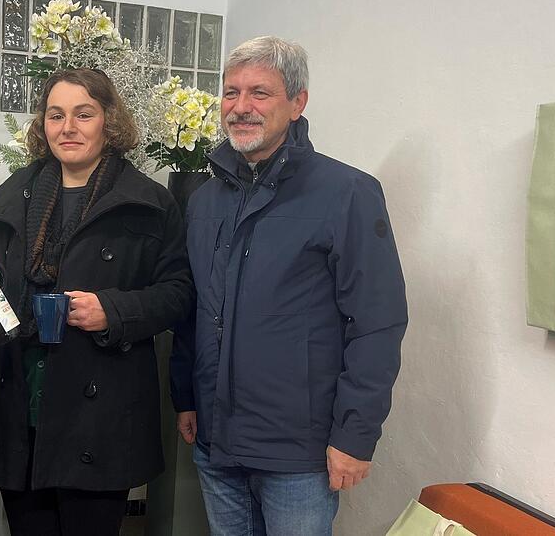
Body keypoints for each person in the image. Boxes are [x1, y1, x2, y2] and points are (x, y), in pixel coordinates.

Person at [170, 36, 408, 535]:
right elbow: (197, 307)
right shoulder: (205, 198)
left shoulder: (348, 194)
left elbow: (376, 323)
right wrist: (186, 395)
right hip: (216, 440)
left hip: (298, 453)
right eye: (231, 93)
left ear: (297, 102)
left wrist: (355, 435)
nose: (240, 108)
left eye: (260, 93)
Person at [0, 68, 193, 536]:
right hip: (20, 397)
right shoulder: (10, 195)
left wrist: (113, 311)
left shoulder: (150, 202)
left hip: (98, 406)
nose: (68, 128)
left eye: (84, 114)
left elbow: (178, 294)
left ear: (109, 121)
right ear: (43, 124)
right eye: (55, 115)